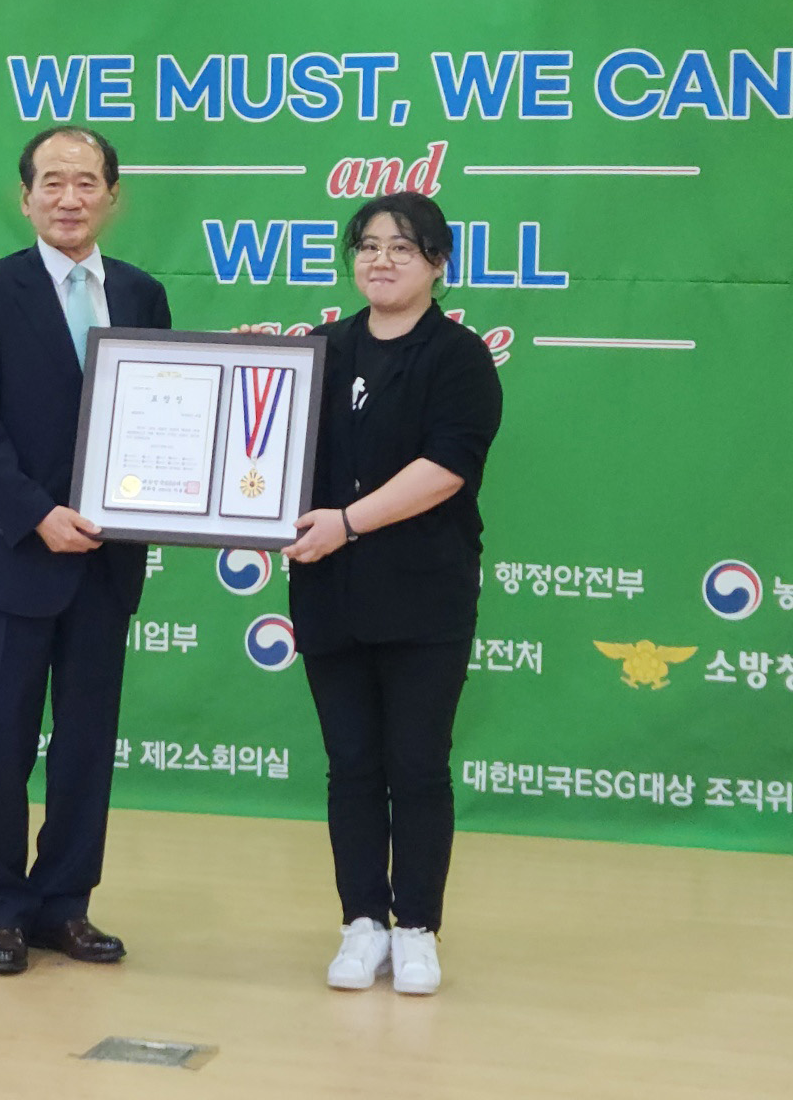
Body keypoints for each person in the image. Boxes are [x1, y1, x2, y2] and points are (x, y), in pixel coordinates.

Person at [0, 129, 171, 976]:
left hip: (106, 563)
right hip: (14, 554)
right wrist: (38, 515)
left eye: (86, 182)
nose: (69, 198)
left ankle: (65, 905)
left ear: (113, 195)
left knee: (85, 745)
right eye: (52, 182)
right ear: (25, 197)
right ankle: (2, 911)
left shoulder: (142, 294)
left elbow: (162, 414)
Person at [282, 192, 503, 997]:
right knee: (350, 764)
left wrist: (346, 522)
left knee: (416, 764)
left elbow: (445, 469)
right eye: (368, 246)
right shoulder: (320, 350)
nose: (381, 260)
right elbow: (271, 453)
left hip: (423, 596)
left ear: (437, 264)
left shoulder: (459, 356)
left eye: (403, 248)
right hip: (330, 592)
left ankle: (416, 929)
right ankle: (361, 923)